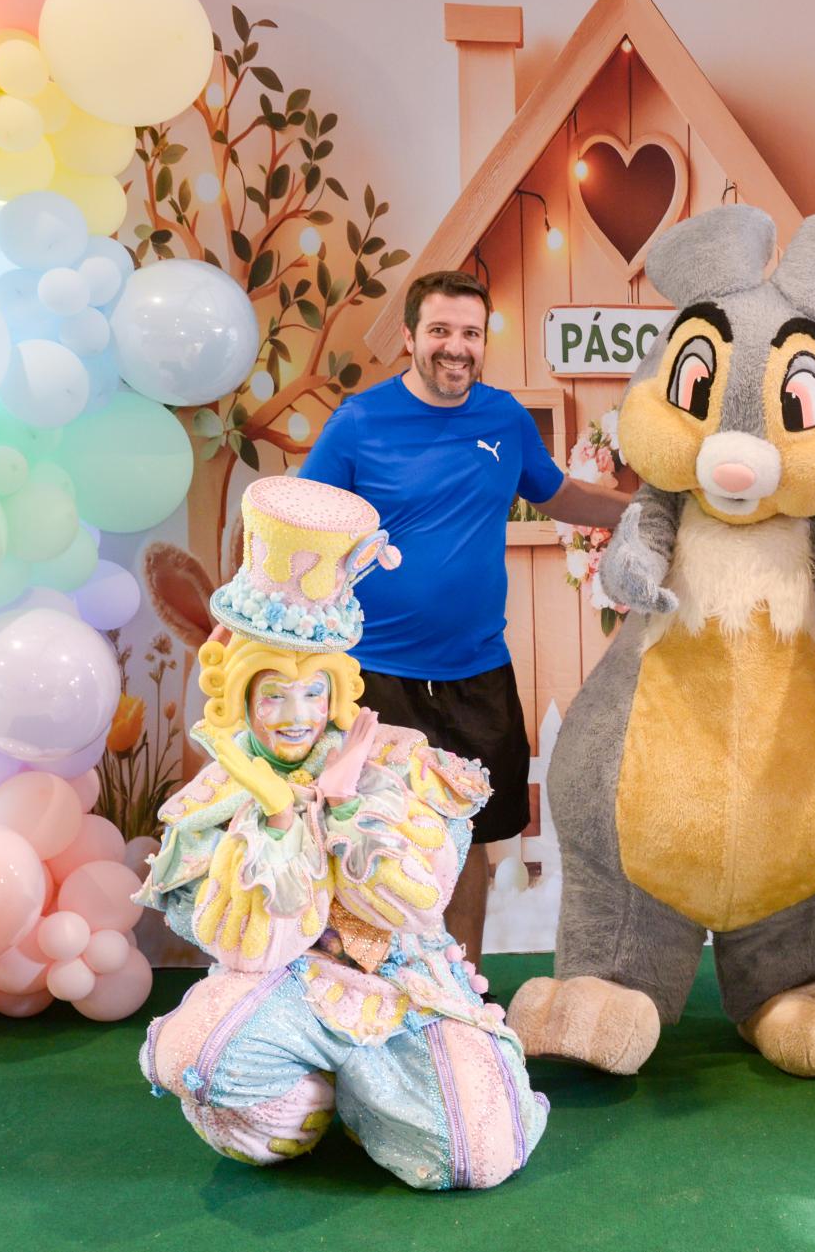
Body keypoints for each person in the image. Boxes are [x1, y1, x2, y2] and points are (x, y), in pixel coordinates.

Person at [134, 475, 548, 1189]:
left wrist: (345, 802)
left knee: (477, 1154)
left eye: (312, 691)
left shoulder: (398, 762)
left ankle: (368, 1094)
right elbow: (255, 946)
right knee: (200, 1061)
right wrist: (277, 810)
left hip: (402, 988)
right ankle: (315, 1089)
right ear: (242, 696)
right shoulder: (216, 795)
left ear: (336, 689)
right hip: (286, 987)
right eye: (273, 695)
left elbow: (415, 903)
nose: (297, 716)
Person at [301, 271, 629, 974]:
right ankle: (376, 994)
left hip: (477, 670)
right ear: (410, 337)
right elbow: (305, 522)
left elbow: (559, 495)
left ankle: (462, 989)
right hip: (376, 674)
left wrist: (643, 511)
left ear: (484, 341)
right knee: (376, 841)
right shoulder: (359, 422)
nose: (456, 346)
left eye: (471, 333)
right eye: (441, 331)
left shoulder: (503, 419)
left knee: (469, 835)